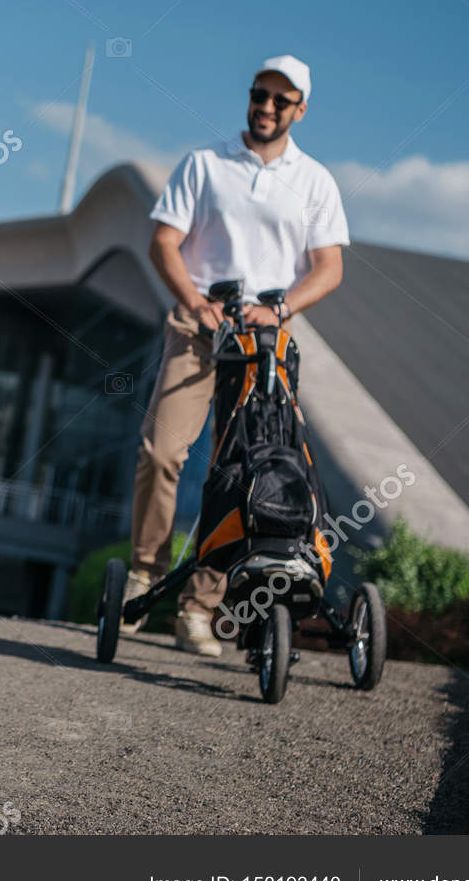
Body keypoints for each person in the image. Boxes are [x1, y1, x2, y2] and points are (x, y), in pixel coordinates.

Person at [128, 55, 348, 657]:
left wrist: (279, 310)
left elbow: (330, 268)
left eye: (282, 100)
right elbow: (163, 243)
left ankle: (198, 607)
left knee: (240, 474)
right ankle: (143, 571)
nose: (267, 107)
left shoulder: (316, 182)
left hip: (265, 346)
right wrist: (197, 303)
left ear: (300, 109)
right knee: (162, 451)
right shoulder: (205, 164)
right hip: (199, 331)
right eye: (260, 94)